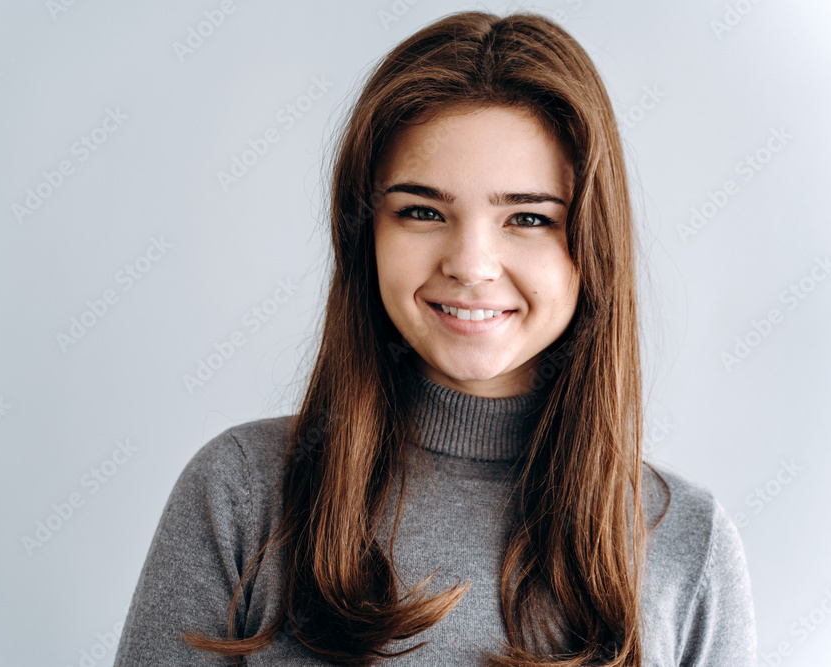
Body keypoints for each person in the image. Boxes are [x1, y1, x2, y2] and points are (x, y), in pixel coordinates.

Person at [113, 10, 756, 666]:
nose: (471, 264)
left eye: (529, 217)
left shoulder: (688, 545)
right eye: (422, 211)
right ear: (367, 233)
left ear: (592, 245)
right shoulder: (240, 494)